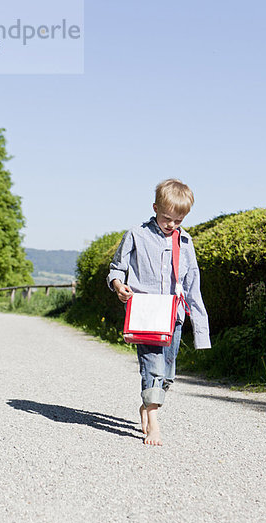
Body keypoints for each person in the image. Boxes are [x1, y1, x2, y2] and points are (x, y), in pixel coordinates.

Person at [107, 179, 211, 446]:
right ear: (155, 208)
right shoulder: (136, 234)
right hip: (145, 315)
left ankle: (147, 404)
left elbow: (192, 287)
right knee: (152, 367)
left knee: (167, 375)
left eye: (179, 220)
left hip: (173, 317)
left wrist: (201, 331)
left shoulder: (185, 242)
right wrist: (119, 286)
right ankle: (154, 424)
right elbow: (116, 269)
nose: (172, 225)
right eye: (167, 218)